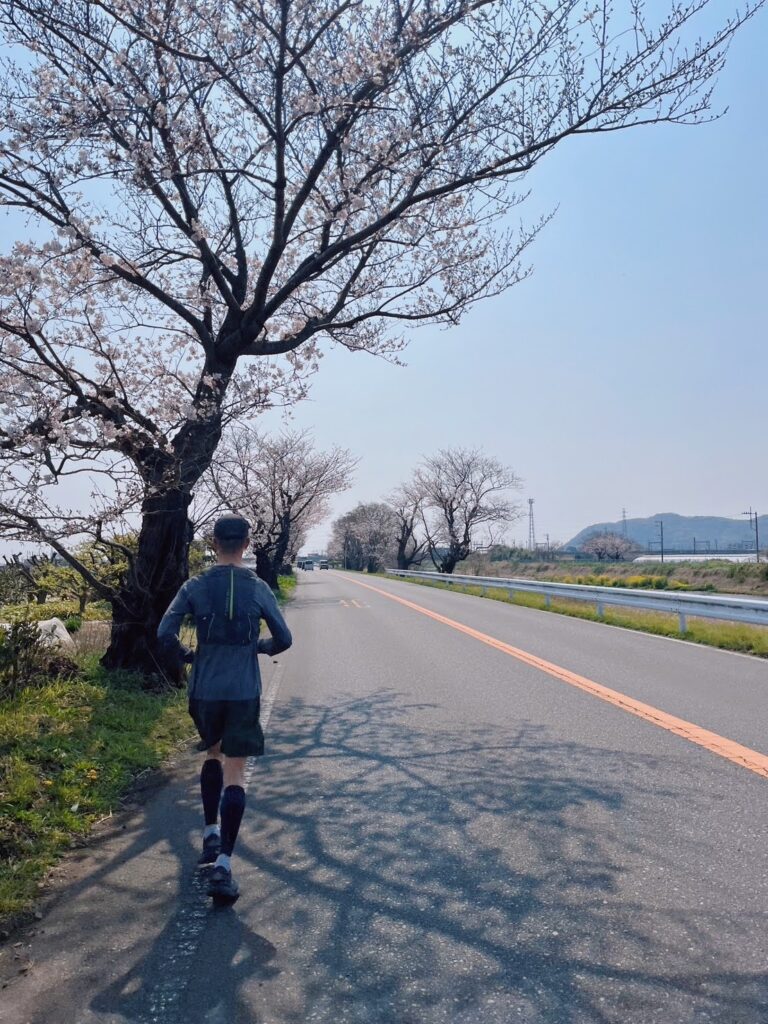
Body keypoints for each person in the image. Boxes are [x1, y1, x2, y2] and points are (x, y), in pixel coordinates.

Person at [158, 514, 293, 903]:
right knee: (236, 771)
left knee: (212, 754)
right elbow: (284, 639)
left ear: (213, 543)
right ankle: (224, 866)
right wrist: (258, 647)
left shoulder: (194, 586)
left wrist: (190, 656)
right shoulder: (258, 587)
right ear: (247, 544)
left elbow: (164, 633)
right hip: (243, 690)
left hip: (204, 689)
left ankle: (209, 834)